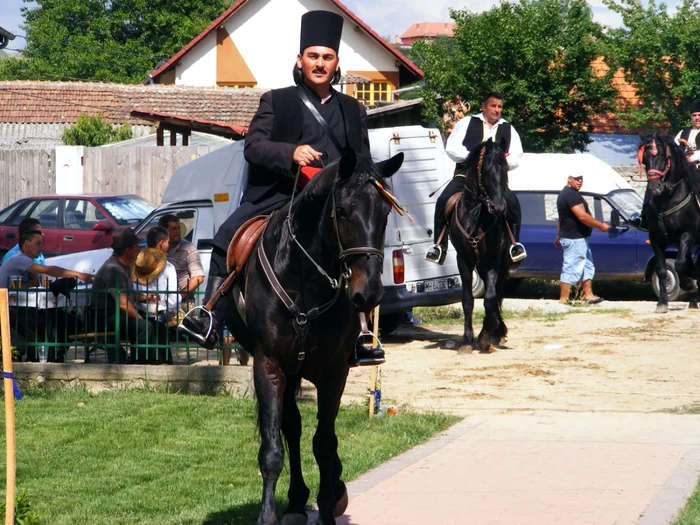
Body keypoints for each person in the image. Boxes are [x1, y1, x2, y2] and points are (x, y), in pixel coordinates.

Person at [180, 10, 384, 367]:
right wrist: (291, 153)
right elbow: (254, 147)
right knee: (227, 236)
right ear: (300, 60)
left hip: (335, 206)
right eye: (313, 56)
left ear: (337, 64)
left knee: (365, 244)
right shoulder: (276, 101)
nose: (320, 63)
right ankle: (209, 315)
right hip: (278, 197)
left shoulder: (353, 109)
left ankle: (360, 334)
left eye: (327, 57)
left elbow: (362, 161)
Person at [426, 92, 526, 265]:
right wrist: (474, 158)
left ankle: (514, 244)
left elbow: (517, 156)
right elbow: (451, 148)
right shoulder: (466, 123)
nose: (497, 110)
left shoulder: (508, 128)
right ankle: (438, 245)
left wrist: (498, 162)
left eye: (500, 107)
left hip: (495, 181)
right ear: (484, 106)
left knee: (513, 203)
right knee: (443, 200)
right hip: (466, 176)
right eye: (493, 106)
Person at [631, 98, 700, 230]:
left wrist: (694, 157)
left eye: (699, 115)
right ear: (691, 117)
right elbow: (671, 149)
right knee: (653, 180)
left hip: (697, 171)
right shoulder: (683, 133)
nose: (697, 118)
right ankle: (644, 217)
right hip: (682, 172)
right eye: (694, 115)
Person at [90, 228, 155, 364]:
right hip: (105, 317)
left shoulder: (123, 266)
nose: (139, 250)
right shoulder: (114, 269)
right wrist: (139, 318)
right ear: (128, 251)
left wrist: (143, 298)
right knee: (144, 326)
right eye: (137, 247)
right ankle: (140, 364)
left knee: (155, 325)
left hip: (117, 315)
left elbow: (124, 293)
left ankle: (151, 359)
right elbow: (123, 304)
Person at [554, 174, 610, 304]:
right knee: (572, 266)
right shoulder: (570, 194)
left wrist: (559, 234)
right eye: (576, 179)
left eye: (581, 179)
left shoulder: (568, 193)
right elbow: (582, 216)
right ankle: (564, 299)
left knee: (587, 266)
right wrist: (601, 225)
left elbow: (561, 218)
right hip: (574, 238)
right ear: (569, 179)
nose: (579, 181)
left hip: (579, 237)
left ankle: (589, 295)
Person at [131, 227, 179, 364]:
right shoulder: (168, 268)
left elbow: (131, 292)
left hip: (138, 318)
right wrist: (169, 314)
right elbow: (174, 298)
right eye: (168, 241)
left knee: (141, 359)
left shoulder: (136, 266)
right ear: (161, 243)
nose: (169, 244)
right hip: (159, 317)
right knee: (162, 359)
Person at [0, 230, 93, 288]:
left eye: (42, 244)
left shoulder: (27, 260)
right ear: (27, 244)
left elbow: (34, 283)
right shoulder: (20, 258)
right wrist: (79, 275)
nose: (41, 247)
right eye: (38, 243)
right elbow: (50, 270)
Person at [158, 214, 205, 295]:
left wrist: (179, 296)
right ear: (164, 231)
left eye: (179, 228)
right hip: (159, 300)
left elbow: (198, 277)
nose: (178, 232)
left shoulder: (188, 248)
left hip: (183, 302)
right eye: (173, 229)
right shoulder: (155, 249)